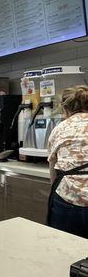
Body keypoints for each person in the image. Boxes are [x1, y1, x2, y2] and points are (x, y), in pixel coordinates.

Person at [47, 85, 88, 238]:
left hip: (67, 199)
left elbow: (53, 170)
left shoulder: (60, 128)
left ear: (65, 109)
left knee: (64, 252)